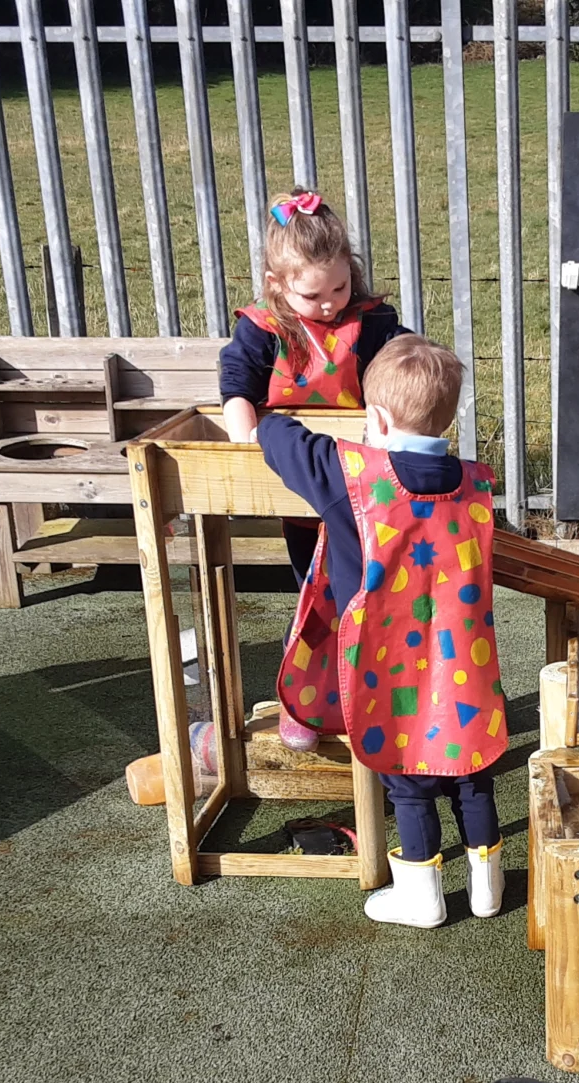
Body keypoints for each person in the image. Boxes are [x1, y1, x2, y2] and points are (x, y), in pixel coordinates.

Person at [258, 335, 504, 929]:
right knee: (471, 770)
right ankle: (487, 889)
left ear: (376, 418)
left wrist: (264, 420)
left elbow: (278, 439)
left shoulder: (352, 476)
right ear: (450, 416)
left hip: (384, 663)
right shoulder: (476, 483)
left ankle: (421, 897)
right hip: (462, 663)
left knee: (408, 780)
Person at [219, 189, 408, 752]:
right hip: (301, 480)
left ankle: (377, 698)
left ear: (351, 268)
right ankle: (305, 701)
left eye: (340, 288)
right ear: (277, 285)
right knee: (315, 592)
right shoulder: (264, 330)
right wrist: (245, 442)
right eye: (312, 295)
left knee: (374, 595)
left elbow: (402, 371)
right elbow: (237, 387)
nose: (329, 304)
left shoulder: (373, 323)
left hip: (366, 485)